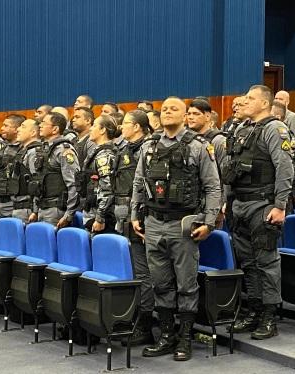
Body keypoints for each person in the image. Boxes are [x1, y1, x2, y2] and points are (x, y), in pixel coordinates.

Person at [131, 96, 221, 361]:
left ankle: (185, 338)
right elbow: (138, 181)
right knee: (160, 284)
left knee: (186, 285)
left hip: (183, 225)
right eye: (165, 109)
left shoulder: (198, 146)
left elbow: (213, 187)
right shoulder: (149, 145)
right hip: (153, 223)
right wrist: (135, 213)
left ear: (185, 116)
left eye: (175, 109)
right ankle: (167, 336)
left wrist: (209, 222)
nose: (168, 111)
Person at [222, 85, 294, 339]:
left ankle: (268, 316)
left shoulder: (275, 129)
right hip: (239, 204)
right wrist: (227, 200)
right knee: (248, 262)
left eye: (251, 98)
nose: (245, 101)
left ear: (264, 103)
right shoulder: (243, 130)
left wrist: (280, 206)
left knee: (267, 262)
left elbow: (284, 168)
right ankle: (253, 310)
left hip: (263, 204)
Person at [113, 110, 154, 344]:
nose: (122, 128)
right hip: (126, 216)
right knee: (134, 271)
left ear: (138, 127)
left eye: (126, 123)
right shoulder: (125, 148)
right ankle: (135, 316)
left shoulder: (147, 149)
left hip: (141, 216)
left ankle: (146, 324)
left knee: (144, 273)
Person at [29, 112, 79, 228]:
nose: (40, 125)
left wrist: (68, 215)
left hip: (56, 210)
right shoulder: (44, 149)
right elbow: (38, 181)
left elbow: (73, 184)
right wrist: (35, 210)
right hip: (42, 208)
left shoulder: (64, 150)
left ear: (55, 129)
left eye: (44, 123)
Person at [80, 115, 118, 234]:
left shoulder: (104, 155)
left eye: (94, 125)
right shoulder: (98, 151)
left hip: (101, 215)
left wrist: (100, 217)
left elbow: (107, 189)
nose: (90, 129)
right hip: (92, 209)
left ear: (103, 130)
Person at [0, 114, 25, 218]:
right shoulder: (2, 149)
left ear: (16, 129)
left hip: (14, 203)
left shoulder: (22, 149)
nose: (1, 128)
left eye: (6, 126)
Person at [11, 119, 42, 223]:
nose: (18, 129)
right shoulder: (23, 150)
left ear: (33, 133)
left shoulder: (34, 152)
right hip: (19, 206)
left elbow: (37, 182)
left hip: (27, 208)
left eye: (23, 127)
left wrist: (35, 210)